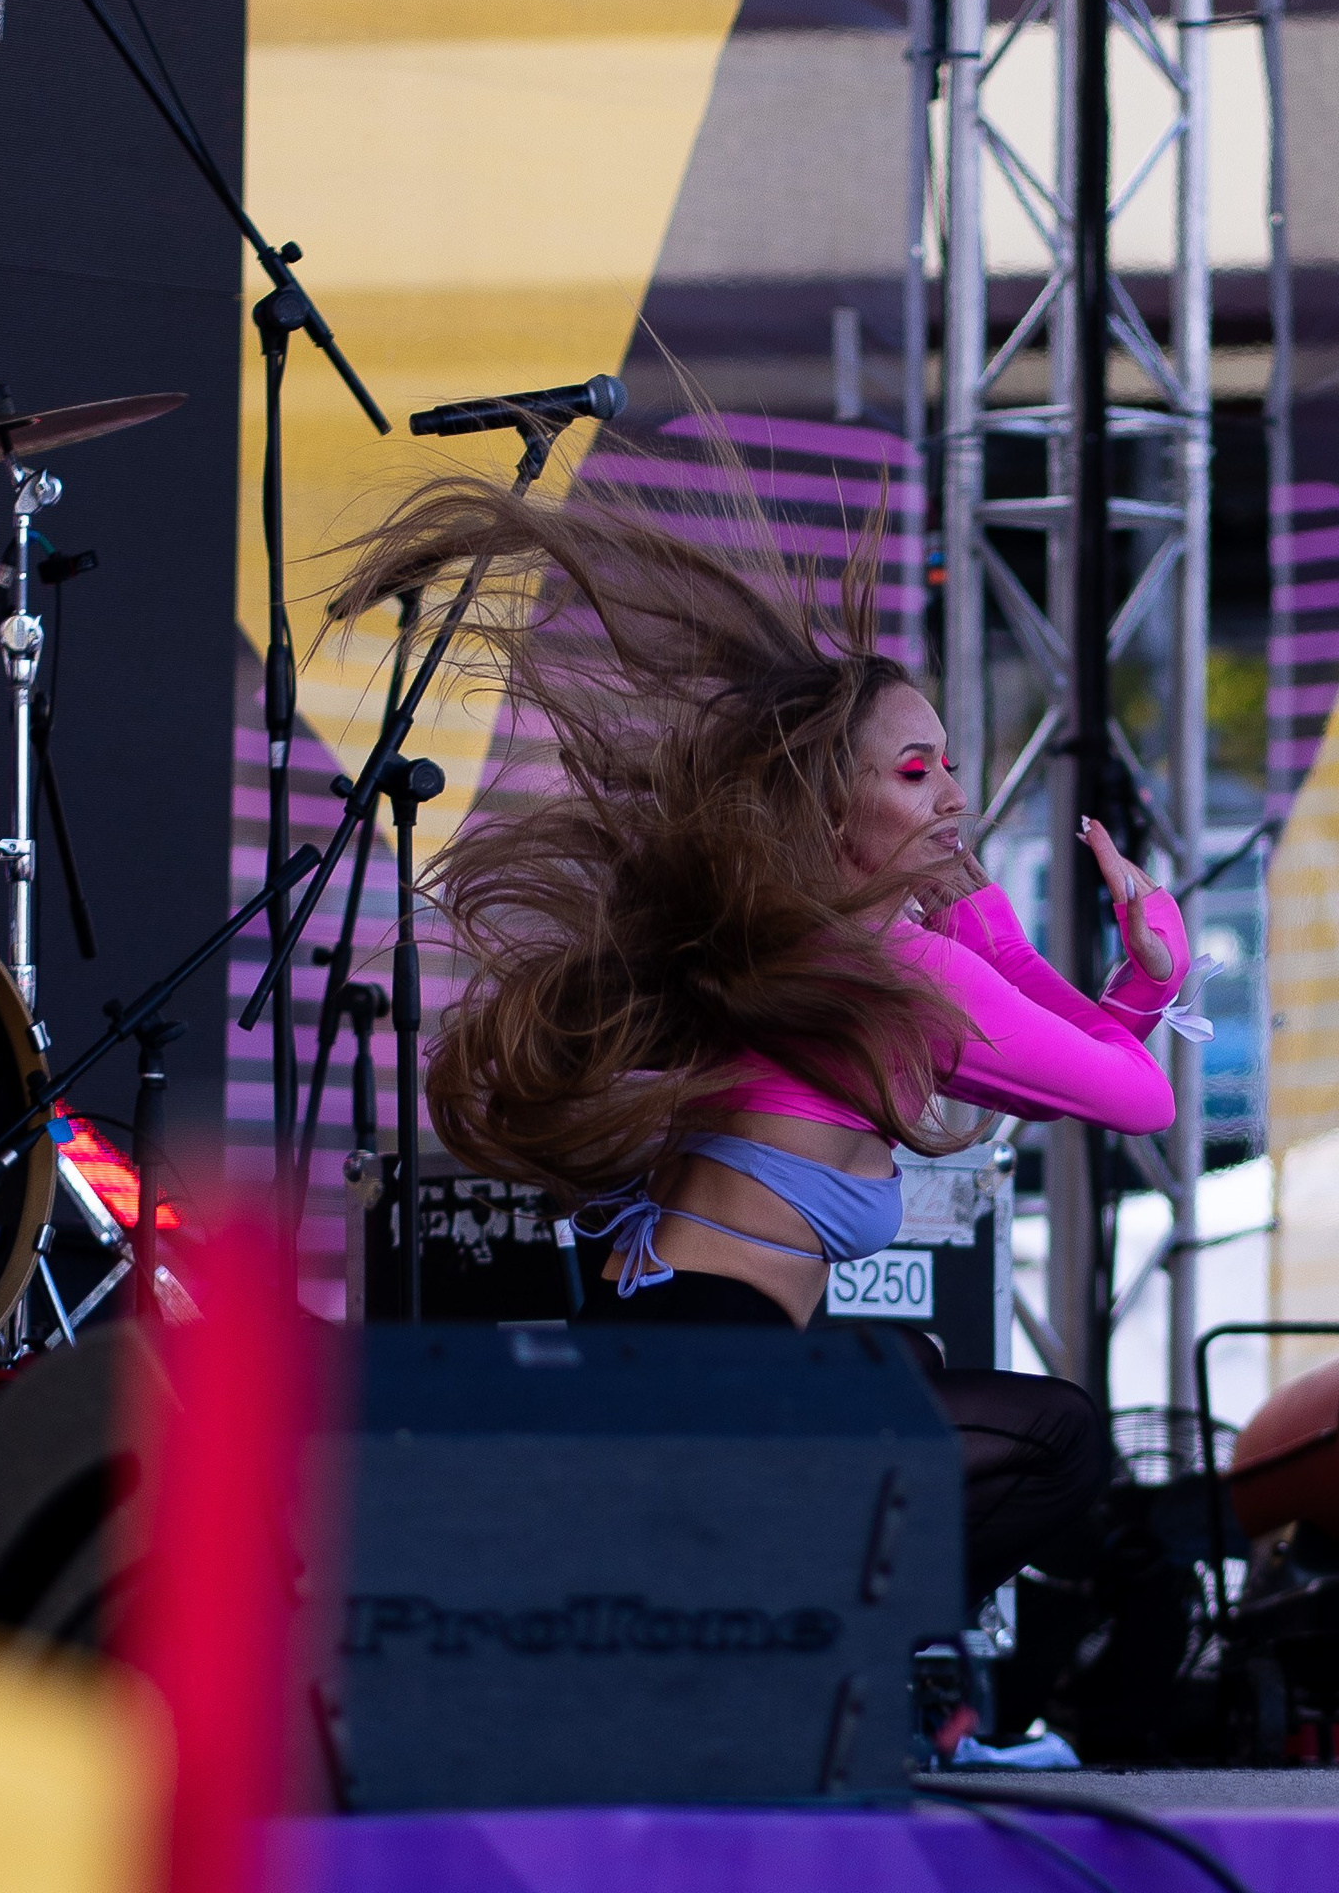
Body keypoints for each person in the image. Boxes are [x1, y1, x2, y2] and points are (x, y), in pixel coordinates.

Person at [328, 452, 1191, 1604]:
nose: (954, 796)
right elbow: (1134, 1095)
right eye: (916, 774)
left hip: (658, 1333)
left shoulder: (796, 942)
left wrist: (1006, 924)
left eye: (950, 768)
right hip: (706, 1358)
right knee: (1058, 1441)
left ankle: (835, 1640)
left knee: (906, 1361)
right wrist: (1143, 978)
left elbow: (1043, 1029)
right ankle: (851, 1652)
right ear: (828, 803)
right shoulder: (895, 970)